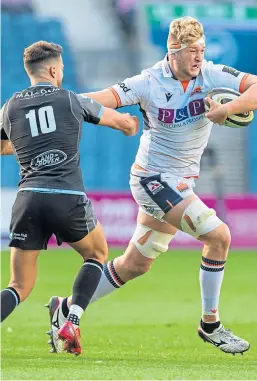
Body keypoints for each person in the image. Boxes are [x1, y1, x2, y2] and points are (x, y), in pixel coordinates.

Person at [49, 16, 257, 355]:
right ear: (172, 53)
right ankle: (210, 324)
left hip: (181, 184)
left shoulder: (211, 74)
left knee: (135, 264)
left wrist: (228, 109)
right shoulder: (148, 81)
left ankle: (68, 306)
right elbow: (100, 98)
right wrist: (57, 101)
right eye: (192, 51)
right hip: (152, 180)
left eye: (201, 50)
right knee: (219, 237)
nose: (198, 57)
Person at [0, 40, 139, 356]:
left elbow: (1, 146)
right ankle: (72, 318)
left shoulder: (9, 108)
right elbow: (121, 122)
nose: (62, 73)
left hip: (27, 198)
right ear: (52, 69)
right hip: (66, 196)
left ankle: (62, 316)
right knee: (97, 253)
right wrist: (132, 124)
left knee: (18, 286)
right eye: (60, 68)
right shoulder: (72, 100)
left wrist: (27, 144)